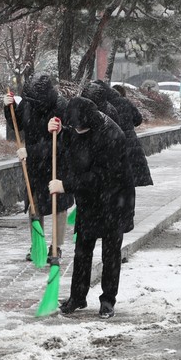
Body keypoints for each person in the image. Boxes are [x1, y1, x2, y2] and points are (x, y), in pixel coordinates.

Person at [47, 96, 134, 319]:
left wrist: (65, 185)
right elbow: (71, 142)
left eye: (78, 127)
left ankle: (107, 301)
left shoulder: (111, 136)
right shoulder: (80, 128)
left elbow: (102, 177)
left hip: (115, 201)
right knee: (82, 251)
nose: (75, 130)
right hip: (89, 203)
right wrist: (55, 129)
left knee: (110, 254)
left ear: (88, 121)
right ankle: (77, 297)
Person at [2, 74, 74, 261]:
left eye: (34, 100)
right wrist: (8, 106)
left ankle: (56, 247)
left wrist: (31, 151)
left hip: (57, 164)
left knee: (58, 205)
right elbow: (16, 123)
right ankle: (37, 245)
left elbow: (63, 142)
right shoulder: (28, 103)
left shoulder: (61, 107)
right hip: (34, 166)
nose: (31, 104)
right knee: (34, 205)